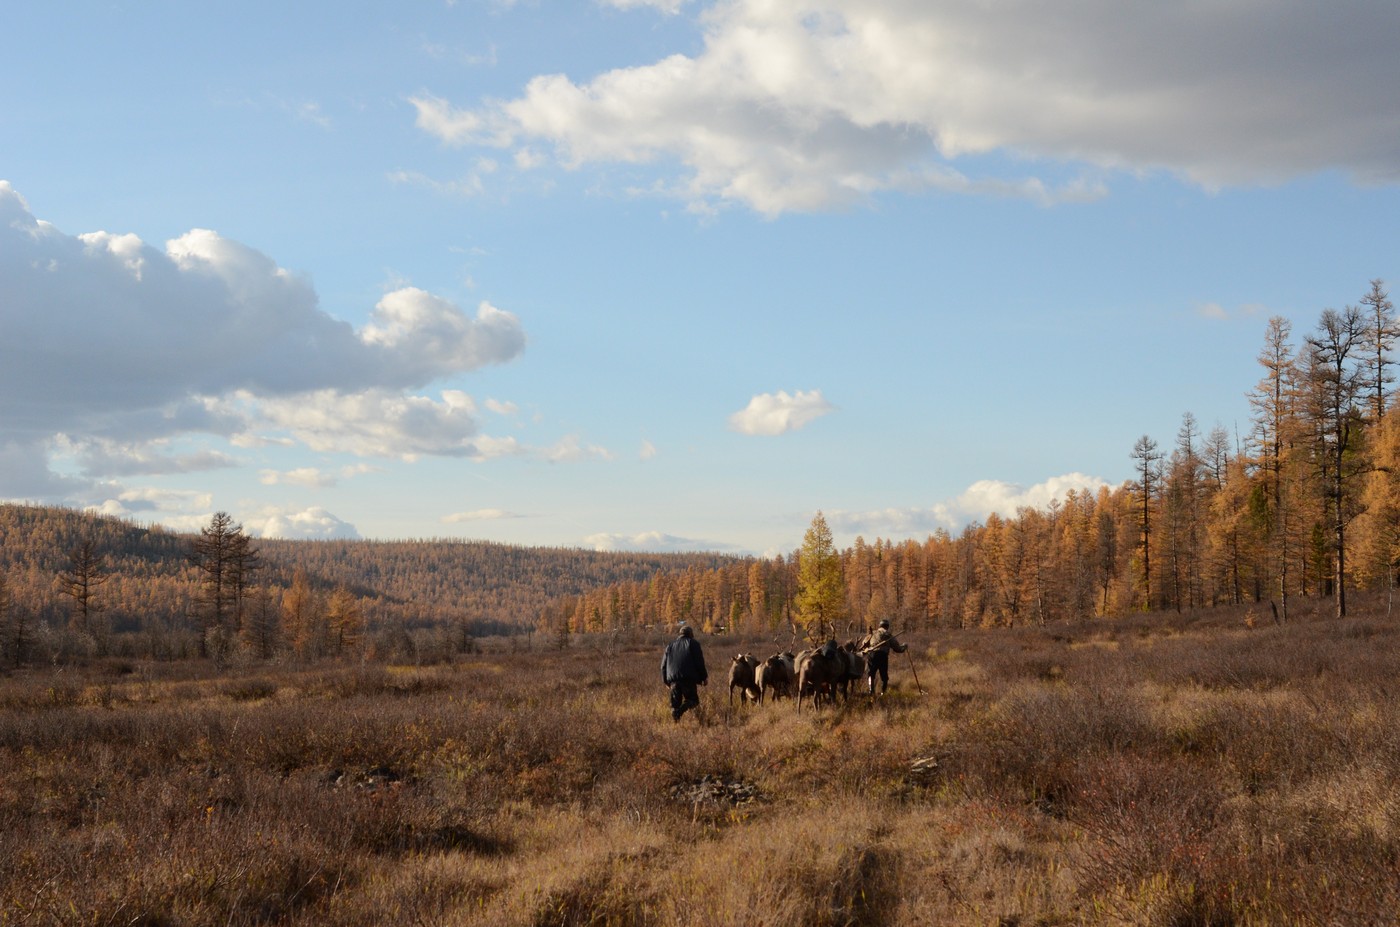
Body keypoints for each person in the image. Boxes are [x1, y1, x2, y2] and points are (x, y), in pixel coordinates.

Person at [661, 623, 708, 721]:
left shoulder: (670, 646)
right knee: (693, 701)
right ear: (691, 634)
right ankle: (679, 712)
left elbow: (663, 666)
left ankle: (676, 722)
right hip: (688, 679)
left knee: (675, 705)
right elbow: (699, 662)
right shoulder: (693, 643)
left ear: (680, 634)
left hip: (673, 680)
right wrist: (704, 677)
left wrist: (665, 681)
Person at [860, 619, 907, 696]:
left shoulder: (872, 633)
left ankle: (871, 692)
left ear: (879, 626)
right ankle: (883, 693)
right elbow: (897, 649)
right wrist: (904, 647)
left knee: (871, 674)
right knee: (884, 675)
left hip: (872, 655)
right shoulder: (888, 634)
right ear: (887, 626)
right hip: (883, 656)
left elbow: (863, 644)